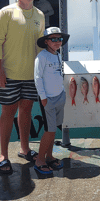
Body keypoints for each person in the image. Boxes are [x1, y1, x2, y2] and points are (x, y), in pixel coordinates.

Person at [0, 0, 45, 175]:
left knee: (26, 111)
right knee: (7, 113)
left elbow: (41, 46)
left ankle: (24, 149)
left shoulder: (40, 15)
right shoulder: (6, 12)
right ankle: (3, 155)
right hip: (9, 74)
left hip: (31, 74)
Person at [34, 27, 70, 176]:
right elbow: (38, 78)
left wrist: (62, 93)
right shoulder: (41, 57)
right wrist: (43, 97)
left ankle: (49, 157)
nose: (57, 42)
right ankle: (40, 160)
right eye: (53, 39)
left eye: (59, 39)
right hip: (47, 99)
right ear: (46, 41)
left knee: (53, 129)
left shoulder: (58, 55)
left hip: (59, 96)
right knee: (50, 131)